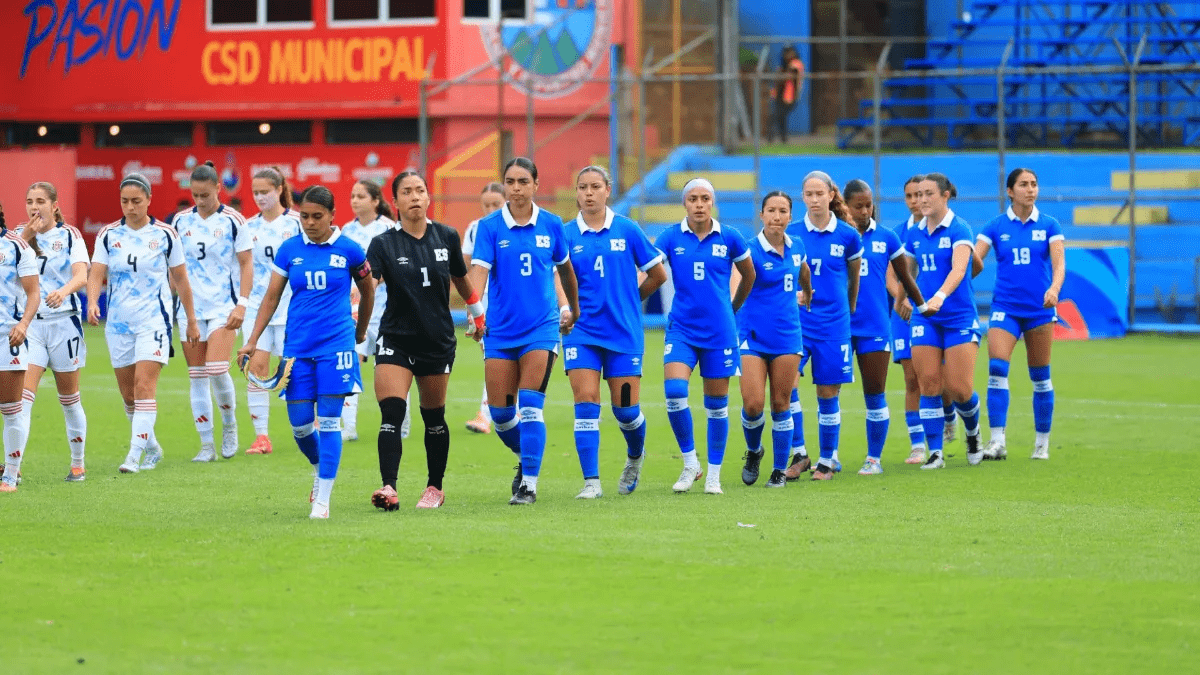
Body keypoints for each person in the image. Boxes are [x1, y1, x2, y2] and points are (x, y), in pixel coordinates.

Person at [237, 185, 374, 519]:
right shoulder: (289, 250)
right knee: (300, 426)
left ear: (331, 216)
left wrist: (359, 332)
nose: (310, 223)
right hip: (297, 347)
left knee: (328, 421)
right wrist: (252, 338)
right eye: (305, 216)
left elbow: (368, 292)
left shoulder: (350, 250)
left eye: (317, 216)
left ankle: (323, 498)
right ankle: (319, 468)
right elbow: (271, 297)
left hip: (336, 347)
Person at [366, 171, 485, 511]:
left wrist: (478, 316)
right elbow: (368, 284)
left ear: (428, 197)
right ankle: (388, 486)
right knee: (392, 411)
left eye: (420, 190)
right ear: (395, 202)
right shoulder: (383, 244)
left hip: (436, 340)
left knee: (434, 418)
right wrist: (355, 308)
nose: (415, 196)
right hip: (395, 340)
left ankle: (435, 487)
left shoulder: (446, 236)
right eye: (407, 192)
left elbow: (462, 282)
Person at [466, 157, 580, 505]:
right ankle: (526, 456)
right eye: (510, 182)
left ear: (535, 184)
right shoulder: (489, 227)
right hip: (500, 330)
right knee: (501, 416)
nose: (515, 188)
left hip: (541, 329)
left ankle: (529, 484)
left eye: (522, 181)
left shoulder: (552, 224)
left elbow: (566, 272)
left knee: (531, 406)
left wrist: (572, 310)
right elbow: (479, 274)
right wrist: (475, 315)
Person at [563, 166, 666, 499]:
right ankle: (591, 482)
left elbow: (658, 274)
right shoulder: (566, 235)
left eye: (595, 186)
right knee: (586, 401)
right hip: (582, 332)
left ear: (608, 190)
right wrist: (566, 308)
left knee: (626, 411)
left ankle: (635, 456)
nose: (589, 193)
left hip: (623, 333)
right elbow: (556, 279)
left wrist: (630, 298)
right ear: (576, 192)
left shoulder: (628, 229)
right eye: (583, 187)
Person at [88, 173, 200, 474]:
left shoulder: (165, 234)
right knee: (128, 396)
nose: (130, 207)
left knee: (143, 386)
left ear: (149, 200)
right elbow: (97, 271)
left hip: (155, 321)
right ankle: (152, 448)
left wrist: (190, 319)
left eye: (136, 201)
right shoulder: (108, 235)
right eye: (125, 201)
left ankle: (133, 456)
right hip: (119, 325)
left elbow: (181, 278)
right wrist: (92, 301)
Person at [656, 178, 755, 495]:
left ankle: (713, 474)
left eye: (705, 198)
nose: (699, 203)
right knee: (674, 392)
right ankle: (690, 463)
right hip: (682, 329)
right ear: (684, 203)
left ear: (713, 202)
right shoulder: (671, 237)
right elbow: (650, 268)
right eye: (693, 198)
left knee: (717, 406)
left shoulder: (730, 236)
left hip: (719, 332)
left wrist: (733, 307)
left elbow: (750, 274)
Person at [975, 168, 1064, 461]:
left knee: (1040, 376)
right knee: (997, 369)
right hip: (1005, 309)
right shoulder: (995, 226)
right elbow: (975, 259)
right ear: (1010, 191)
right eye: (1024, 185)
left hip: (1039, 311)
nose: (1031, 189)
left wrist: (1054, 288)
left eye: (1034, 184)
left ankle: (1042, 443)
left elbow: (1059, 264)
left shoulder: (1050, 225)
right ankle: (997, 441)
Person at [843, 179, 928, 474]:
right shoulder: (836, 236)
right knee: (827, 391)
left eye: (869, 205)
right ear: (846, 206)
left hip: (875, 325)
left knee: (875, 391)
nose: (865, 211)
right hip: (837, 325)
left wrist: (918, 303)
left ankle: (874, 459)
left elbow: (905, 274)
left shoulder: (888, 238)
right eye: (859, 206)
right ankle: (825, 456)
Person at [781, 172, 862, 481]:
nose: (814, 199)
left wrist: (849, 309)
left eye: (819, 193)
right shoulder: (792, 233)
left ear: (831, 195)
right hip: (798, 324)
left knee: (828, 393)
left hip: (833, 326)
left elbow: (854, 279)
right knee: (787, 387)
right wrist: (794, 297)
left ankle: (827, 460)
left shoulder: (847, 235)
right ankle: (800, 453)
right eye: (808, 194)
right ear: (803, 197)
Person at [171, 161, 252, 463]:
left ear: (219, 188)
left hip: (223, 306)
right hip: (190, 309)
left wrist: (242, 303)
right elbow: (175, 269)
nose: (200, 201)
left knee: (217, 369)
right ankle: (206, 445)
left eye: (205, 195)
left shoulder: (234, 221)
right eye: (195, 195)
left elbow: (246, 264)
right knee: (197, 376)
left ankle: (229, 426)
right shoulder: (180, 221)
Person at [904, 173, 985, 469]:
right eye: (919, 194)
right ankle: (935, 452)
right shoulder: (914, 232)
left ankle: (973, 433)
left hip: (958, 316)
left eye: (929, 194)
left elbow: (960, 269)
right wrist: (903, 297)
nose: (922, 199)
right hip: (925, 318)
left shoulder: (959, 227)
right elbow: (907, 271)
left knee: (960, 389)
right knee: (928, 384)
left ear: (945, 195)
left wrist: (940, 296)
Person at [737, 191, 811, 489]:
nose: (776, 216)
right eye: (771, 210)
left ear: (790, 217)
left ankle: (779, 471)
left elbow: (803, 271)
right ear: (762, 215)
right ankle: (754, 451)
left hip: (787, 336)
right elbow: (736, 285)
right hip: (752, 336)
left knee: (781, 403)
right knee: (753, 404)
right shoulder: (749, 249)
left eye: (782, 211)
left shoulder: (798, 247)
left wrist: (807, 292)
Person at [16, 182, 90, 482]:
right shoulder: (18, 237)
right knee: (21, 398)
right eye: (30, 201)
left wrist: (64, 291)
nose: (35, 207)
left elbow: (82, 274)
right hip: (31, 326)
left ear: (54, 206)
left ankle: (77, 463)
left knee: (69, 398)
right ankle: (13, 468)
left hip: (64, 323)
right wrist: (25, 238)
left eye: (41, 201)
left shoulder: (69, 236)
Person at [241, 167, 301, 455]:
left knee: (295, 370)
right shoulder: (247, 227)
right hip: (257, 308)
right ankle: (261, 436)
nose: (259, 197)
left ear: (279, 190)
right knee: (258, 367)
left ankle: (307, 425)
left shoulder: (298, 223)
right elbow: (239, 267)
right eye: (255, 192)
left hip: (292, 307)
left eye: (265, 192)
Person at [339, 180, 396, 442]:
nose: (354, 200)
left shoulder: (388, 229)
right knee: (352, 362)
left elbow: (397, 264)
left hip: (387, 309)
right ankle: (348, 427)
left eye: (361, 196)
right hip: (355, 309)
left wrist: (371, 282)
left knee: (390, 368)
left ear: (375, 200)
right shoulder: (345, 231)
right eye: (352, 196)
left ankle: (399, 423)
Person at [0, 203, 39, 493]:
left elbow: (33, 293)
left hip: (7, 337)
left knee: (11, 410)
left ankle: (11, 475)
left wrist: (24, 324)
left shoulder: (16, 247)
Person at [462, 182, 506, 434]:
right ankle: (502, 408)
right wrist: (472, 303)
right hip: (484, 300)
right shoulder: (474, 229)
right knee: (492, 355)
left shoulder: (512, 227)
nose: (490, 209)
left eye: (496, 204)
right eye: (486, 205)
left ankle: (487, 414)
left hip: (509, 300)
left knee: (497, 356)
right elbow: (467, 268)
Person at [768, 46, 805, 143]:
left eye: (789, 52)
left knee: (779, 116)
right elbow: (779, 78)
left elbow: (790, 75)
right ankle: (779, 138)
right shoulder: (784, 65)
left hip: (789, 96)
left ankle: (778, 138)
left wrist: (781, 74)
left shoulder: (796, 64)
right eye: (786, 53)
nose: (787, 55)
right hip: (780, 95)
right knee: (778, 117)